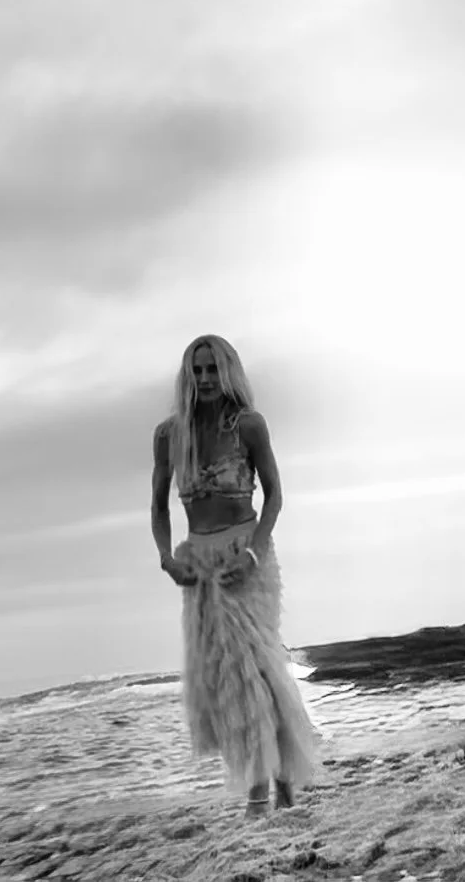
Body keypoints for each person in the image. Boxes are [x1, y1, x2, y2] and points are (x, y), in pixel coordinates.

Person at [151, 334, 317, 818]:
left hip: (247, 557)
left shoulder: (248, 425)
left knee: (257, 670)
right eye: (197, 370)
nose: (204, 379)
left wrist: (254, 553)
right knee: (223, 679)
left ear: (228, 374)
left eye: (212, 369)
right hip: (198, 565)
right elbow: (158, 505)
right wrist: (166, 557)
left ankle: (260, 790)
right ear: (188, 376)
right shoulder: (168, 435)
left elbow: (275, 496)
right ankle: (279, 779)